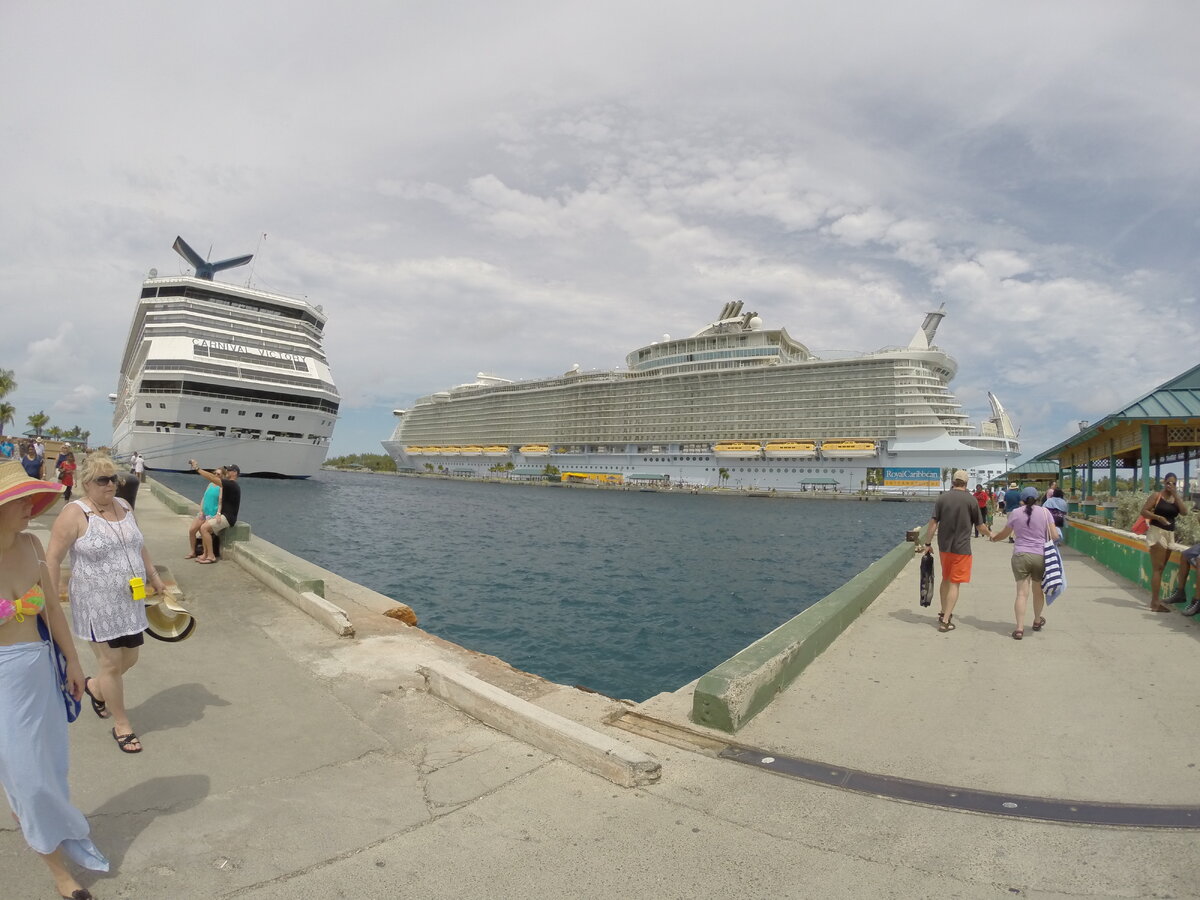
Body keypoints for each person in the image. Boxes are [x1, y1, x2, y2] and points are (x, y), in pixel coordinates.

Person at [0, 460, 108, 898]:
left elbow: (53, 610)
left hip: (41, 669)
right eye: (19, 500)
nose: (30, 506)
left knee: (48, 765)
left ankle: (33, 814)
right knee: (29, 774)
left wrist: (74, 664)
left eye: (30, 498)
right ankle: (59, 870)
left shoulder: (30, 544)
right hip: (4, 679)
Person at [44, 453, 166, 755]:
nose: (111, 484)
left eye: (115, 478)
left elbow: (138, 544)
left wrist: (153, 575)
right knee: (110, 664)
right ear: (87, 483)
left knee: (131, 659)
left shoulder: (123, 506)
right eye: (103, 479)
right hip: (95, 604)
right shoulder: (75, 514)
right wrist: (49, 596)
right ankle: (122, 724)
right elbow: (53, 557)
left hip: (129, 602)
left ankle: (96, 688)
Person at [921, 469, 992, 632]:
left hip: (944, 547)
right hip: (962, 548)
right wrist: (991, 534)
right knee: (955, 583)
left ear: (953, 482)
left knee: (945, 579)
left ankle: (942, 611)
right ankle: (946, 621)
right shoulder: (971, 500)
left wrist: (927, 543)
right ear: (966, 483)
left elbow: (933, 524)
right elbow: (980, 526)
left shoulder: (942, 498)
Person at [990, 486, 1060, 639]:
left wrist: (994, 537)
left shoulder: (1015, 513)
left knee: (1022, 593)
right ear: (1037, 498)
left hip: (1020, 555)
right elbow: (1054, 535)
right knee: (1037, 591)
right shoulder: (1045, 512)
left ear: (1022, 498)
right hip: (1040, 555)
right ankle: (1036, 621)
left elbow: (1005, 533)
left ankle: (1019, 628)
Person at [1140, 472, 1189, 612]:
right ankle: (1155, 602)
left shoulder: (1175, 498)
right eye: (1168, 483)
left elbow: (1184, 512)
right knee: (1158, 568)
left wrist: (1176, 495)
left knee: (1162, 568)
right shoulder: (1157, 496)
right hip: (1157, 532)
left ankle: (1156, 601)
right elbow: (1143, 511)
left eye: (1173, 483)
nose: (1170, 485)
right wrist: (1157, 517)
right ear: (1164, 482)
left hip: (1169, 534)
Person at [190, 460, 241, 564]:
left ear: (235, 473)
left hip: (228, 518)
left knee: (204, 528)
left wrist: (197, 469)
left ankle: (211, 556)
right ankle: (205, 554)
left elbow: (212, 479)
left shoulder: (232, 484)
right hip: (223, 515)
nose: (227, 472)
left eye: (230, 470)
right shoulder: (229, 484)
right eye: (227, 470)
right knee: (202, 527)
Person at [186, 466, 224, 559]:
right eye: (215, 473)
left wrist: (217, 514)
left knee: (203, 531)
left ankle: (205, 553)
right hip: (203, 512)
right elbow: (204, 497)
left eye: (218, 474)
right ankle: (192, 551)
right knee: (192, 530)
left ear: (222, 476)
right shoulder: (210, 484)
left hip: (212, 514)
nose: (216, 475)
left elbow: (220, 502)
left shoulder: (221, 487)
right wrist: (201, 510)